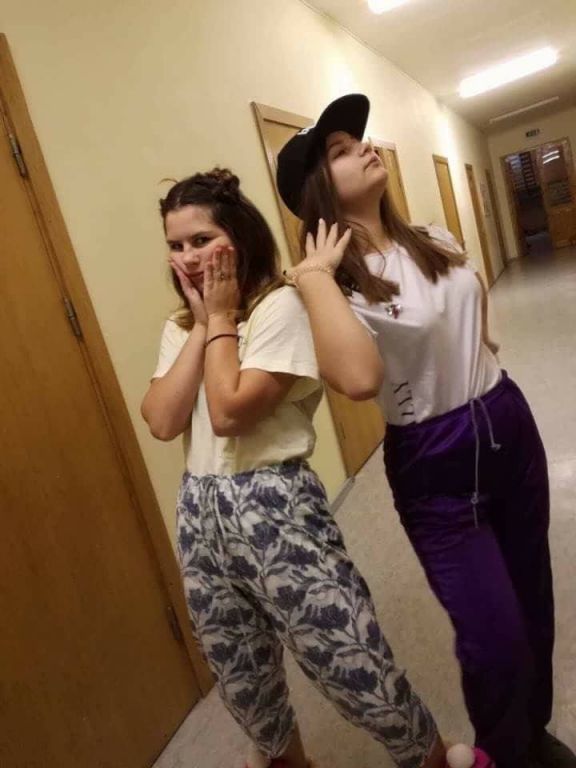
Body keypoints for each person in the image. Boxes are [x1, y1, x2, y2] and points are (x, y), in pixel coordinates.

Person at [141, 168, 490, 768]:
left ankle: (431, 757)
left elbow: (228, 413)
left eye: (202, 239)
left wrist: (220, 320)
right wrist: (202, 326)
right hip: (200, 515)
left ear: (239, 236)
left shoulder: (279, 307)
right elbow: (162, 419)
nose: (189, 257)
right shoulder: (181, 327)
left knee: (348, 656)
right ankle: (286, 760)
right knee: (241, 675)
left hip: (275, 507)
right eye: (176, 245)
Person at [275, 93, 574, 768]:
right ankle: (504, 753)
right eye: (340, 149)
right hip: (434, 460)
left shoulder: (433, 236)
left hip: (506, 421)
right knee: (494, 637)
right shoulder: (334, 288)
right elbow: (357, 379)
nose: (363, 147)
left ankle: (533, 735)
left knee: (533, 602)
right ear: (319, 191)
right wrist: (314, 278)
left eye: (360, 138)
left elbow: (473, 290)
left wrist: (482, 345)